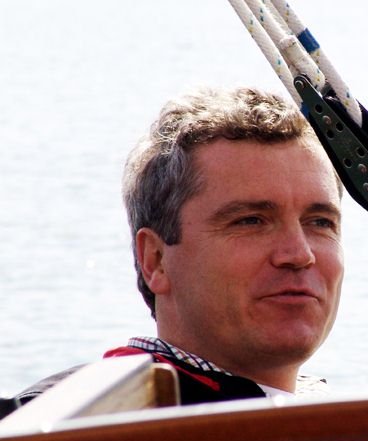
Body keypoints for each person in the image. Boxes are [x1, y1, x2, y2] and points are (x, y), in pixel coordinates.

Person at [10, 86, 344, 410]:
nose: (299, 254)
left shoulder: (337, 418)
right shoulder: (66, 421)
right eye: (251, 221)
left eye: (320, 222)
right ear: (155, 260)